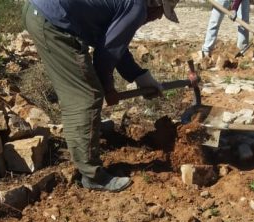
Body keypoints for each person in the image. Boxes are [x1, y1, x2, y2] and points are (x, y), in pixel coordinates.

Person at [22, 0, 180, 192]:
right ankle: (92, 175)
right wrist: (108, 87)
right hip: (53, 20)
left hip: (41, 12)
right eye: (162, 11)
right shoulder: (137, 8)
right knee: (86, 97)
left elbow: (112, 43)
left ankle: (85, 146)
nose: (159, 17)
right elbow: (105, 55)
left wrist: (139, 76)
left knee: (80, 94)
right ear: (155, 3)